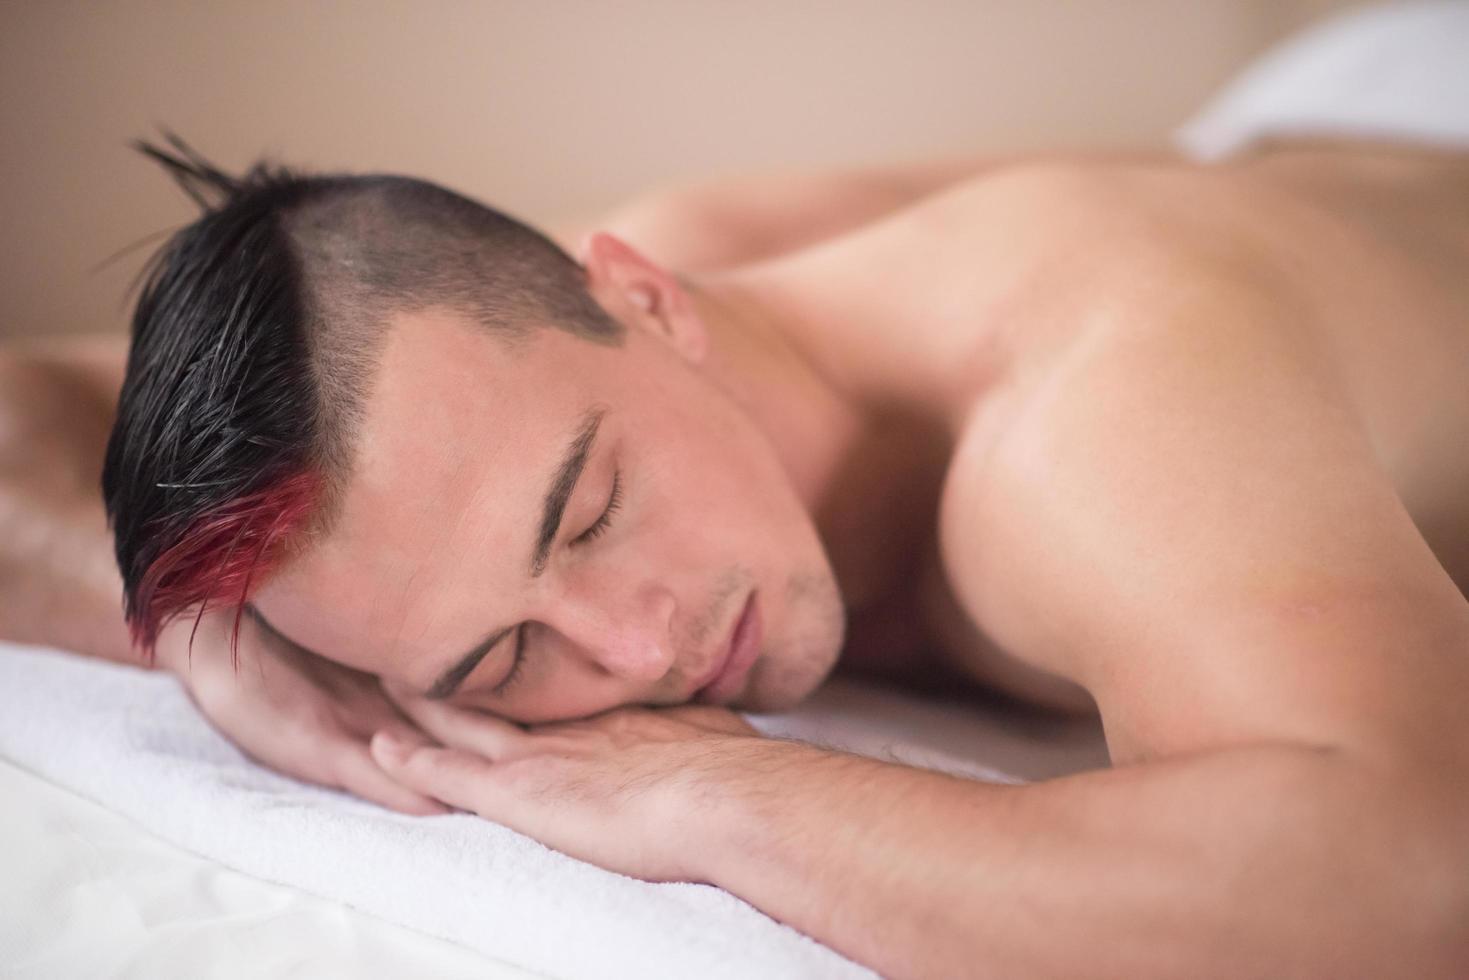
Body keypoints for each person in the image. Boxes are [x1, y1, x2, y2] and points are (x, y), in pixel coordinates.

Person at [6, 23, 1469, 977]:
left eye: (586, 514)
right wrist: (221, 649)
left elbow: (1403, 876)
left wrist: (715, 793)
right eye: (498, 658)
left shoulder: (1083, 414)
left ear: (647, 297)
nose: (631, 654)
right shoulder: (493, 395)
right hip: (1284, 154)